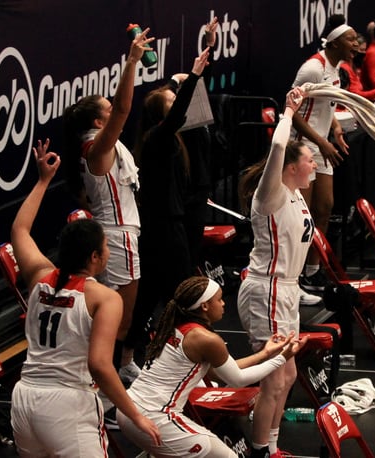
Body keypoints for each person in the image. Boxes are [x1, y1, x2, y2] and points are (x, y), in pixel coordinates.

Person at [9, 139, 161, 456]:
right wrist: (135, 414)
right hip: (67, 404)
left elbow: (20, 230)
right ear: (95, 257)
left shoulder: (39, 276)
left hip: (24, 399)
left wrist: (42, 181)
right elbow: (100, 365)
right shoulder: (103, 298)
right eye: (105, 247)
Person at [118, 276, 305, 457]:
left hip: (128, 409)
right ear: (205, 306)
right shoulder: (205, 339)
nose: (224, 304)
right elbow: (238, 379)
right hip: (154, 416)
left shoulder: (180, 327)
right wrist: (281, 358)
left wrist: (265, 353)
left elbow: (219, 374)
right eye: (219, 299)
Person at [62, 29, 155, 384]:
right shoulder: (96, 149)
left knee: (122, 319)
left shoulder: (96, 148)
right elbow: (124, 107)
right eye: (107, 108)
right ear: (100, 122)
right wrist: (131, 61)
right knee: (118, 321)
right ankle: (103, 390)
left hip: (118, 234)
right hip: (116, 240)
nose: (113, 110)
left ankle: (123, 365)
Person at [237, 86, 317, 458]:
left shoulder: (297, 192)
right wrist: (288, 112)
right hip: (266, 289)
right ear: (289, 166)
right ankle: (259, 452)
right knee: (273, 379)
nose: (314, 163)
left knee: (287, 376)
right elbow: (278, 149)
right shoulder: (271, 194)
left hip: (286, 290)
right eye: (309, 159)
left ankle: (271, 446)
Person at [131, 19, 215, 357]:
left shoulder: (172, 141)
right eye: (171, 102)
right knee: (182, 295)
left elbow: (186, 106)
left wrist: (199, 68)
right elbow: (177, 112)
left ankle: (130, 355)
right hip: (163, 229)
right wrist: (193, 77)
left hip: (170, 223)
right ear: (160, 115)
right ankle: (185, 352)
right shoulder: (157, 140)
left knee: (150, 295)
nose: (177, 105)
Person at [291, 14, 358, 294]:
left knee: (325, 207)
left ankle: (312, 271)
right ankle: (293, 278)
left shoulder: (336, 67)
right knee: (302, 215)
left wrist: (336, 129)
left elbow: (325, 104)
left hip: (321, 143)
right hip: (302, 146)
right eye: (350, 40)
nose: (356, 44)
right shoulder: (313, 69)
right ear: (333, 44)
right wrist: (323, 142)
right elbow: (293, 113)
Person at [340, 33, 375, 101]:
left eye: (365, 50)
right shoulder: (344, 68)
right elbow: (355, 95)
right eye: (361, 50)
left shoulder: (356, 67)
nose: (364, 53)